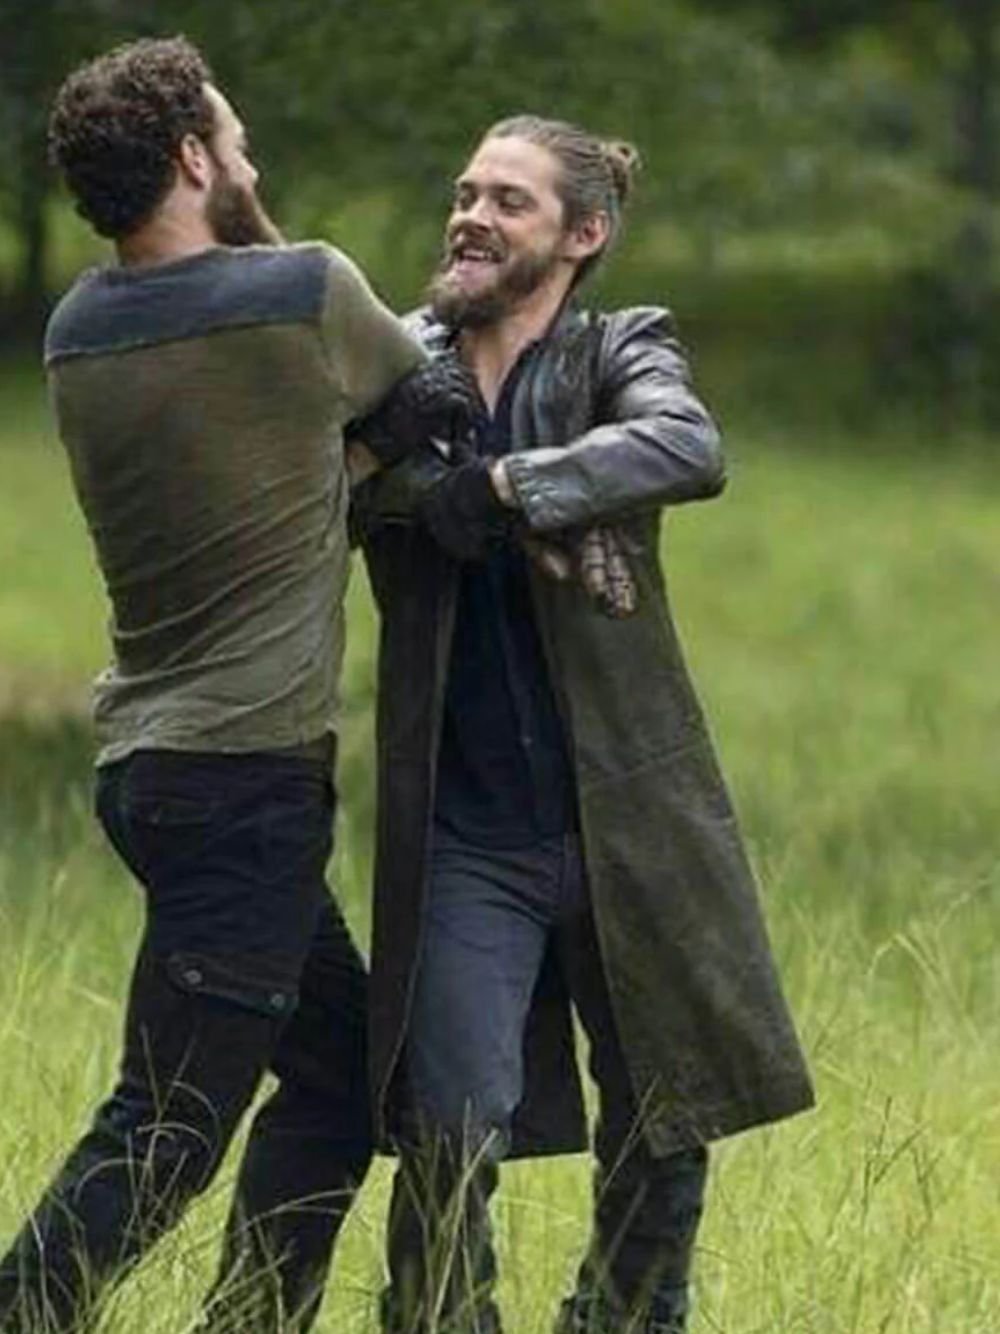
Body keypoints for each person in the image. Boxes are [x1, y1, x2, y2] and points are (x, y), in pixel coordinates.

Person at [0, 35, 469, 1334]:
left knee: (340, 1070)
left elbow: (282, 474)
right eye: (235, 139)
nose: (250, 159)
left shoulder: (79, 329)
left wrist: (348, 458)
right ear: (195, 159)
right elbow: (420, 399)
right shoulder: (298, 290)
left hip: (151, 772)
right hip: (243, 785)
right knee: (165, 1124)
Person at [353, 115, 816, 1333]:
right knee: (447, 1123)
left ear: (582, 232)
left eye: (508, 200)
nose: (470, 215)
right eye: (465, 192)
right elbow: (330, 480)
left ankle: (622, 1317)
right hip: (463, 826)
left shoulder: (620, 346)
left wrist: (508, 487)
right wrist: (428, 485)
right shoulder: (394, 361)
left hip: (628, 811)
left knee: (666, 1112)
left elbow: (683, 443)